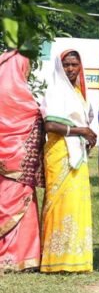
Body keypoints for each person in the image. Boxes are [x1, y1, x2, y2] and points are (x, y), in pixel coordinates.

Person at [40, 50, 95, 273]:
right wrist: (81, 131)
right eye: (66, 65)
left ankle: (76, 258)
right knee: (60, 203)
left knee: (76, 203)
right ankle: (55, 259)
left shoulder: (78, 92)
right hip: (60, 153)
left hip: (77, 153)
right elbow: (50, 125)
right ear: (59, 66)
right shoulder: (56, 90)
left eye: (74, 64)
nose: (71, 69)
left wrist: (87, 137)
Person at [0, 51, 44, 272]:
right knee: (23, 200)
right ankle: (24, 256)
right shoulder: (27, 103)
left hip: (2, 162)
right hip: (20, 163)